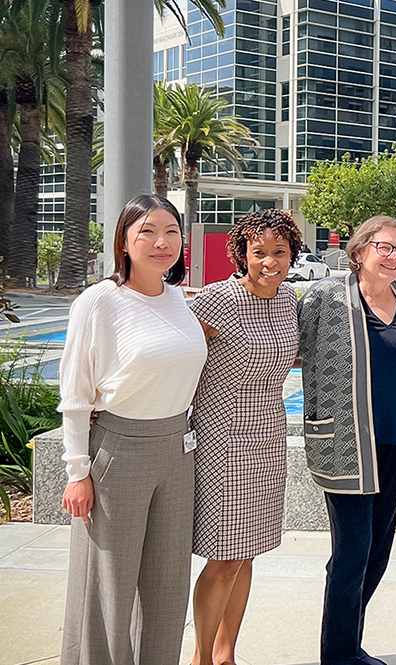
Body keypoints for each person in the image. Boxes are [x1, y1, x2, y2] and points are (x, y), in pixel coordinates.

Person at [58, 195, 208, 665]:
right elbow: (76, 393)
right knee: (109, 584)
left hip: (178, 450)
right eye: (146, 231)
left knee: (167, 584)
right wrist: (76, 470)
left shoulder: (180, 300)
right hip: (118, 451)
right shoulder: (99, 302)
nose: (161, 242)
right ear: (124, 240)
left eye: (171, 231)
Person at [298, 215, 396, 665]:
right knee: (353, 550)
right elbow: (291, 349)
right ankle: (337, 654)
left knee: (378, 548)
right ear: (359, 251)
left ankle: (349, 642)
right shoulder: (325, 297)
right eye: (384, 247)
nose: (394, 256)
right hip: (345, 443)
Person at [188, 209, 302, 665]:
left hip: (269, 435)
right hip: (224, 436)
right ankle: (200, 657)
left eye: (279, 251)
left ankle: (226, 653)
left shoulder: (290, 300)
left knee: (248, 553)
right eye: (259, 252)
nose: (269, 261)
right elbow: (173, 351)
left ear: (292, 253)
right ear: (242, 254)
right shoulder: (217, 299)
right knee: (225, 557)